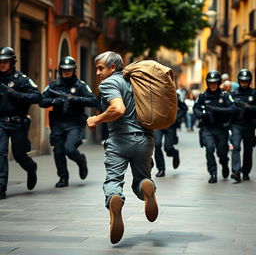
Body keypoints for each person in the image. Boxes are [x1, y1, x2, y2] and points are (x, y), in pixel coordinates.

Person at [87, 51, 158, 244]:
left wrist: (96, 119)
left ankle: (115, 200)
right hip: (145, 140)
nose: (98, 73)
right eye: (96, 69)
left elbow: (118, 109)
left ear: (112, 68)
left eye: (101, 68)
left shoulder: (110, 83)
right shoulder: (136, 81)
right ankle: (146, 187)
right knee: (143, 177)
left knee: (113, 181)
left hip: (120, 141)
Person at [39, 56, 98, 188]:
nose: (66, 72)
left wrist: (76, 99)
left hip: (74, 124)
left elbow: (93, 101)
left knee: (70, 149)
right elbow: (41, 100)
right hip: (58, 123)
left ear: (74, 70)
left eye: (69, 70)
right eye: (64, 70)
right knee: (58, 151)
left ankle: (81, 161)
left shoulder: (80, 85)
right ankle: (63, 177)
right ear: (60, 70)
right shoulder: (54, 85)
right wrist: (53, 101)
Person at [0, 46, 41, 199]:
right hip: (1, 122)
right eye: (0, 62)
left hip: (18, 122)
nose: (2, 64)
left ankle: (32, 168)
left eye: (5, 61)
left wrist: (16, 94)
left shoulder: (21, 79)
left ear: (12, 62)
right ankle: (1, 187)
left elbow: (38, 96)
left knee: (19, 155)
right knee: (0, 153)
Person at [193, 70, 236, 184]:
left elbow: (233, 109)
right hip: (208, 128)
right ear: (207, 83)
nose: (212, 85)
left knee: (222, 152)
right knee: (209, 149)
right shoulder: (203, 96)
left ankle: (224, 163)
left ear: (219, 83)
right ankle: (213, 173)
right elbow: (195, 108)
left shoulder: (224, 95)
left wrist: (218, 110)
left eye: (215, 82)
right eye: (210, 82)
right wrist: (201, 114)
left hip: (221, 128)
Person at [230, 69, 256, 182]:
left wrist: (249, 108)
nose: (244, 83)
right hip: (237, 124)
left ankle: (246, 172)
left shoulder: (254, 93)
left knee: (248, 150)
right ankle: (236, 171)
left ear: (249, 81)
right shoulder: (234, 94)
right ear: (239, 81)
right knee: (235, 147)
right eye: (242, 81)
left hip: (249, 125)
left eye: (246, 81)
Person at [154, 94, 188, 177]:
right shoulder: (154, 94)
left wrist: (176, 117)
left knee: (168, 148)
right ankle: (161, 169)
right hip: (158, 124)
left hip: (170, 125)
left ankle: (175, 153)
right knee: (157, 144)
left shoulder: (173, 94)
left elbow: (184, 108)